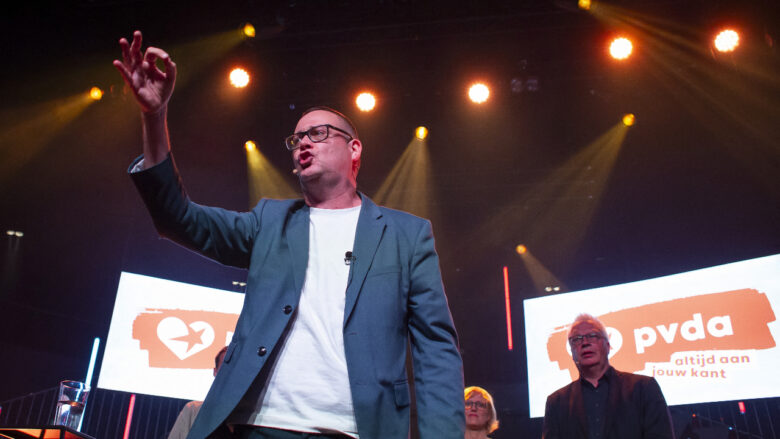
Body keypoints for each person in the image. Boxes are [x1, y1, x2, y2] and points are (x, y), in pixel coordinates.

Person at [114, 31, 464, 439]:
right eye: (296, 139)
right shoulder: (270, 221)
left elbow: (436, 350)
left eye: (318, 133)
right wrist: (155, 116)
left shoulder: (407, 235)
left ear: (354, 149)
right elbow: (177, 218)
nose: (303, 145)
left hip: (353, 430)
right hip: (255, 426)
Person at [542, 314, 675, 439]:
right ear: (572, 352)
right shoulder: (556, 402)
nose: (585, 342)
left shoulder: (644, 388)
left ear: (607, 345)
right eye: (577, 339)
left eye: (592, 336)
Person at [168, 347, 229, 439]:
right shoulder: (193, 410)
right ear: (215, 372)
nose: (231, 373)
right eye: (226, 367)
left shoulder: (250, 417)